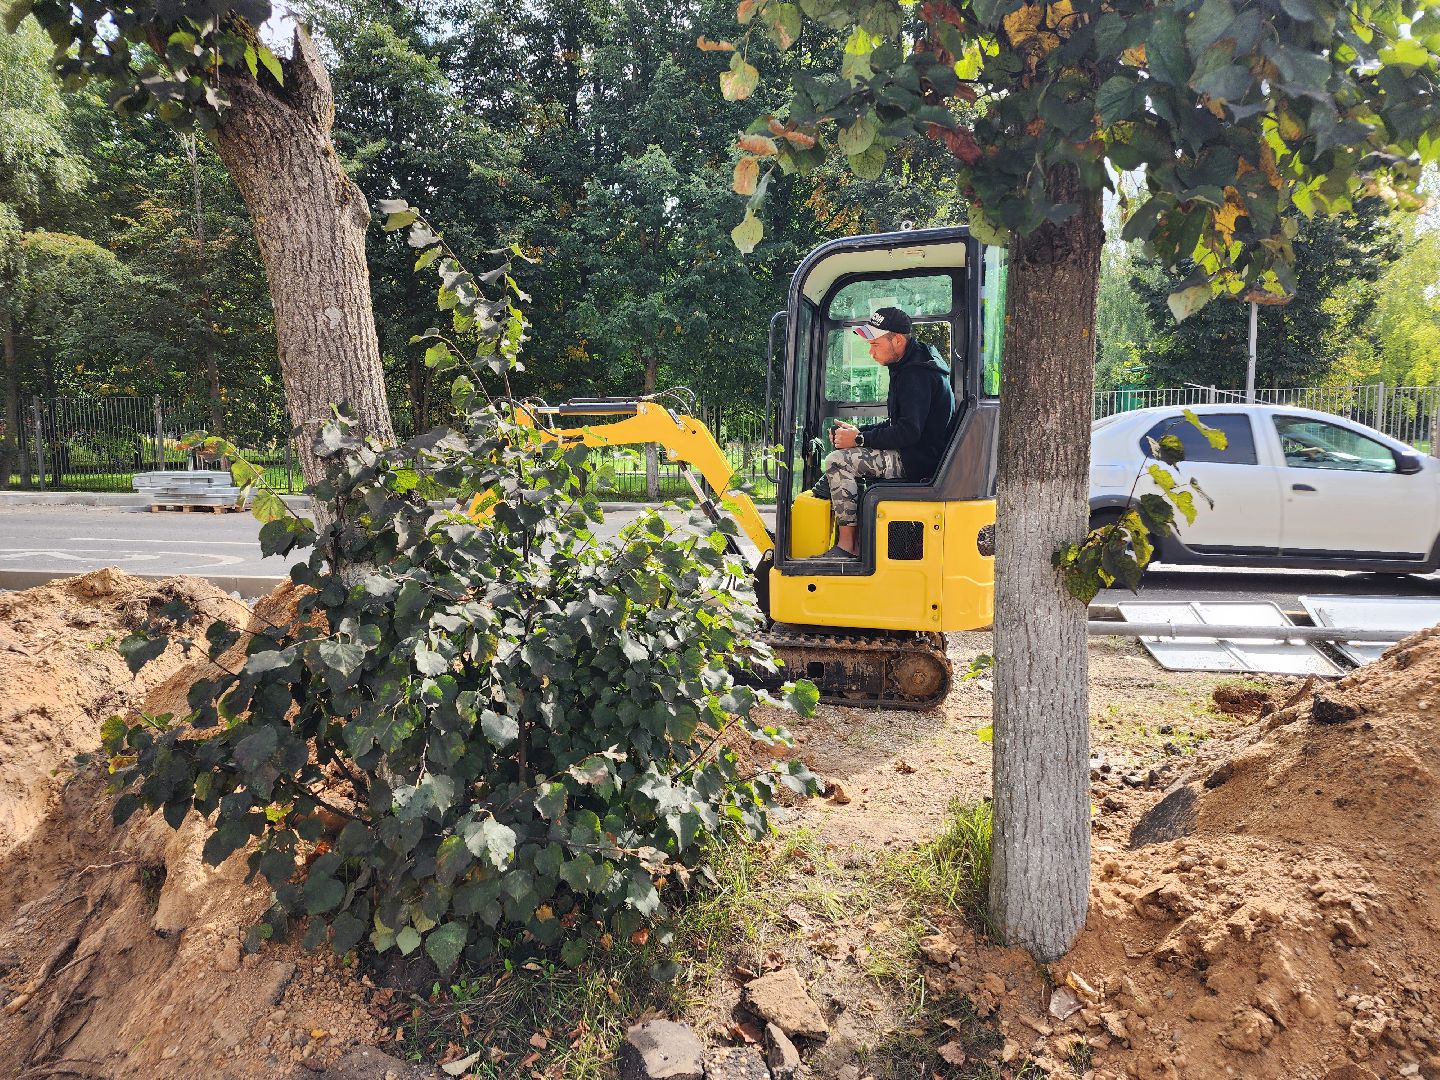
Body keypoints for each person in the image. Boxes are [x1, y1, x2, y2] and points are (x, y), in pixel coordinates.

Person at [814, 306, 954, 559]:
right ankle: (834, 498)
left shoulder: (915, 375)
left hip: (918, 461)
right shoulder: (911, 364)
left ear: (897, 340)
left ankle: (848, 547)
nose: (870, 351)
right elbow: (896, 423)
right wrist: (860, 433)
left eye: (876, 343)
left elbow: (909, 432)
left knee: (837, 462)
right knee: (843, 458)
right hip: (916, 452)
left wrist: (859, 439)